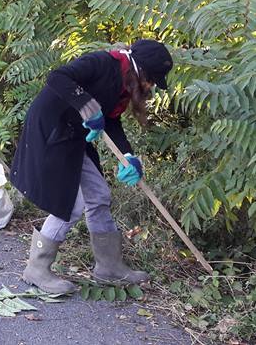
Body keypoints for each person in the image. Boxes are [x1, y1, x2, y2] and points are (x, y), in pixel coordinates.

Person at [10, 39, 174, 294]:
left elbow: (111, 122)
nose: (151, 86)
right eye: (151, 79)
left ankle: (109, 267)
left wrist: (129, 156)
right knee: (72, 204)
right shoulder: (101, 63)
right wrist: (88, 106)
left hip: (75, 138)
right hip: (52, 131)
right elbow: (58, 77)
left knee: (99, 195)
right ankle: (36, 268)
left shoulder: (123, 86)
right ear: (139, 69)